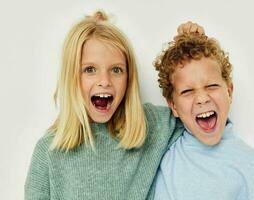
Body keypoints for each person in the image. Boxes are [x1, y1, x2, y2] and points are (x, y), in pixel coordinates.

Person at [24, 10, 203, 199]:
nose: (104, 81)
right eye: (90, 69)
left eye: (116, 70)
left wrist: (193, 52)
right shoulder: (49, 151)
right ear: (72, 76)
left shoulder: (151, 126)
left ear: (129, 78)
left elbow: (200, 114)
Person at [153, 33, 254, 199]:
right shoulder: (161, 148)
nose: (202, 98)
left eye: (212, 86)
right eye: (187, 91)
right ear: (173, 106)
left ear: (229, 91)